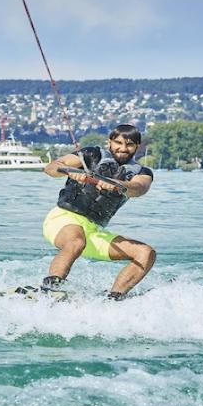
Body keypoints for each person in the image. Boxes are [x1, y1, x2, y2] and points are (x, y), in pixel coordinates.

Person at [41, 124, 156, 300]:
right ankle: (51, 288)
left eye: (129, 145)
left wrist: (119, 185)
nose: (123, 148)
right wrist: (69, 171)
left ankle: (114, 298)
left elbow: (139, 188)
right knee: (76, 241)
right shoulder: (91, 154)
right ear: (109, 142)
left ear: (137, 147)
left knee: (146, 253)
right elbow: (51, 168)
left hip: (94, 232)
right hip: (63, 218)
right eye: (118, 143)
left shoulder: (142, 172)